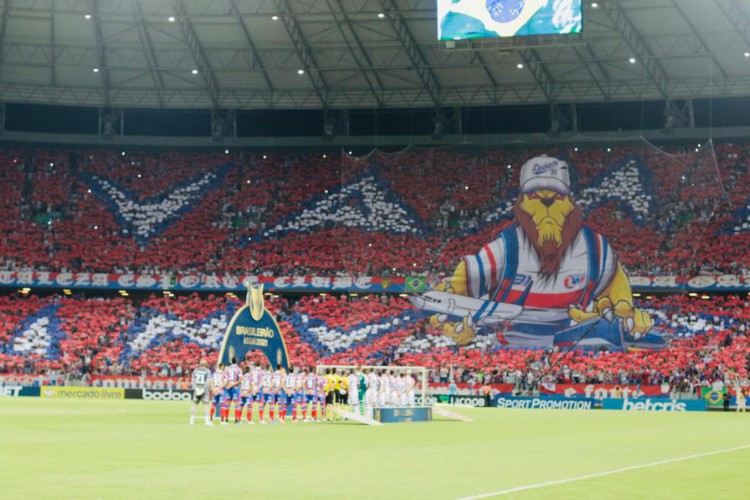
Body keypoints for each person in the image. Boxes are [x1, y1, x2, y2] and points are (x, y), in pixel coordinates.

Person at [190, 359, 212, 426]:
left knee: (195, 404)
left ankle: (191, 421)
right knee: (206, 405)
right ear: (206, 364)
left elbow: (193, 381)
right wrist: (203, 389)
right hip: (204, 390)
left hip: (197, 389)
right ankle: (206, 421)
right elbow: (207, 382)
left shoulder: (195, 370)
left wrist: (196, 388)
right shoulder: (208, 371)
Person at [221, 357, 243, 424]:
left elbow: (224, 379)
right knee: (237, 404)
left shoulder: (227, 369)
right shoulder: (238, 369)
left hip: (228, 388)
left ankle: (226, 420)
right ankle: (237, 420)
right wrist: (233, 384)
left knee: (227, 404)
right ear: (236, 361)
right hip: (235, 388)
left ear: (231, 361)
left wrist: (228, 384)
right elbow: (240, 379)